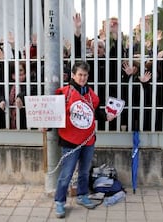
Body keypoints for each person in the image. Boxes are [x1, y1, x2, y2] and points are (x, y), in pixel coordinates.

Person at [54, 61, 115, 218]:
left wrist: (106, 117)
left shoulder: (90, 94)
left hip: (88, 140)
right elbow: (52, 112)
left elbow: (96, 110)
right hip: (69, 140)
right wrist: (45, 126)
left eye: (85, 75)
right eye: (80, 74)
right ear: (73, 75)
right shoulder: (64, 93)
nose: (82, 78)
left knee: (84, 172)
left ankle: (82, 196)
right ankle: (60, 202)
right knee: (66, 174)